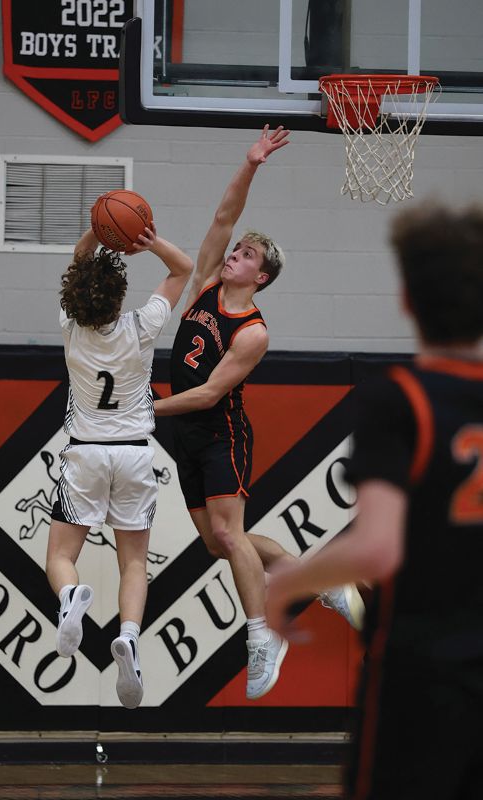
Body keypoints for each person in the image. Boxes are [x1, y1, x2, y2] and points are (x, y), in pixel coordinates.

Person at [266, 202, 483, 799]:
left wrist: (287, 583)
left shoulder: (399, 398)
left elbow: (377, 547)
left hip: (420, 673)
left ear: (407, 300)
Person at [154, 125, 363, 701]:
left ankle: (263, 635)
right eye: (236, 249)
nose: (234, 253)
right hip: (186, 434)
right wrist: (250, 165)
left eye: (245, 254)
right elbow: (223, 216)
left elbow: (205, 395)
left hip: (220, 432)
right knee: (218, 543)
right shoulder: (202, 287)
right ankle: (321, 582)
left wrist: (146, 410)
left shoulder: (253, 333)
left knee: (228, 531)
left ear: (261, 277)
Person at [45, 217, 193, 710]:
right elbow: (183, 269)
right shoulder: (140, 326)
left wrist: (94, 229)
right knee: (133, 562)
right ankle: (128, 637)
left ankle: (71, 600)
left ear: (75, 298)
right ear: (118, 295)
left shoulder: (70, 328)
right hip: (133, 453)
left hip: (85, 451)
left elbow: (77, 263)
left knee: (62, 557)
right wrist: (149, 243)